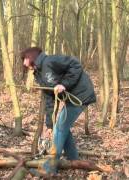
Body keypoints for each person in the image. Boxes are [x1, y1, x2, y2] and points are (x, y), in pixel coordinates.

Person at [21, 47, 96, 176]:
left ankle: (49, 169)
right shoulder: (38, 74)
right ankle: (74, 160)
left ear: (31, 57)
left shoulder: (50, 61)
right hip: (71, 99)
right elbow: (49, 98)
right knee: (61, 127)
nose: (23, 63)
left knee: (60, 128)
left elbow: (75, 64)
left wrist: (64, 84)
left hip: (81, 95)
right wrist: (49, 124)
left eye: (24, 58)